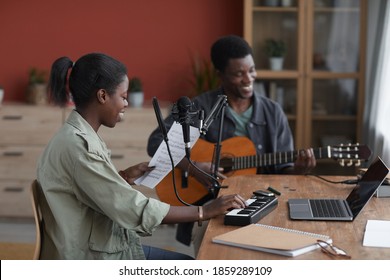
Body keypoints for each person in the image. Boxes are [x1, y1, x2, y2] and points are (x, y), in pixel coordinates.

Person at [36, 52, 247, 260]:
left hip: (100, 244)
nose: (126, 104)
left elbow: (88, 189)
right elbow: (133, 209)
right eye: (124, 97)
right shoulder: (80, 146)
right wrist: (204, 211)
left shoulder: (77, 135)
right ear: (102, 96)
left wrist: (123, 178)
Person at [147, 35, 316, 253]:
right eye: (239, 74)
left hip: (264, 205)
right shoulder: (201, 107)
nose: (248, 79)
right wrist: (193, 167)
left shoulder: (273, 112)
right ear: (221, 75)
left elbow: (283, 171)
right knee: (217, 254)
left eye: (252, 70)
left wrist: (299, 170)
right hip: (213, 207)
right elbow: (156, 142)